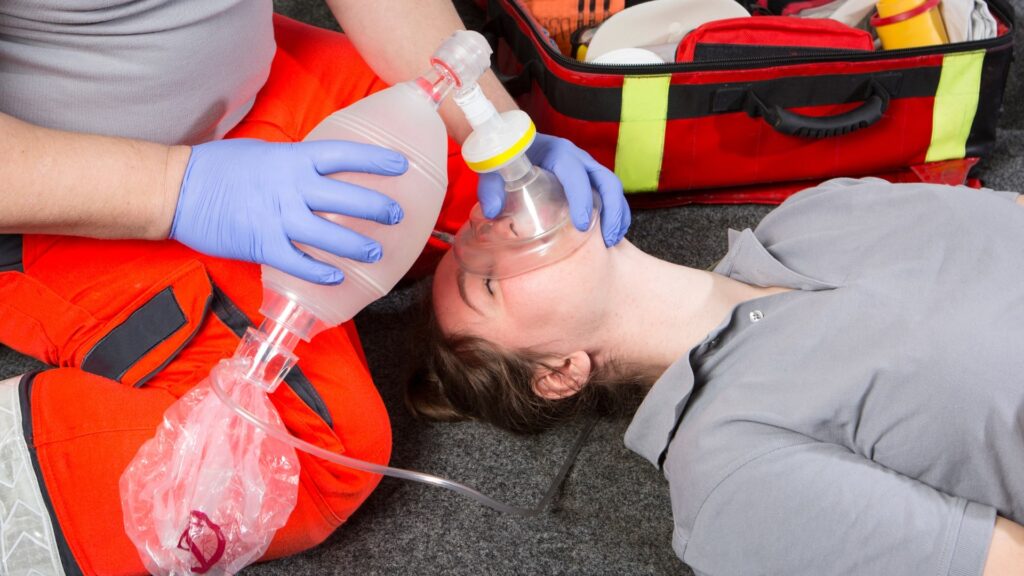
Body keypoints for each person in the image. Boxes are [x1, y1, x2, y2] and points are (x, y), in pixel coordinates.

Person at [0, 1, 629, 574]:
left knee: (484, 185)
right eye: (487, 286)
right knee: (301, 456)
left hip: (242, 77)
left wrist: (494, 123)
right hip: (59, 186)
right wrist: (178, 188)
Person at [415, 177, 1024, 575]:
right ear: (557, 374)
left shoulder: (815, 212)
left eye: (479, 224)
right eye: (487, 281)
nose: (496, 225)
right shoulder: (731, 476)